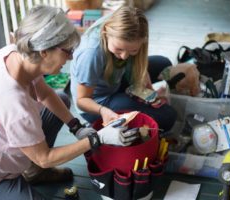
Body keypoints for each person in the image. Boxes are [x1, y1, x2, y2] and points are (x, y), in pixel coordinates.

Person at [0, 5, 138, 200]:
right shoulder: (16, 107)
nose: (71, 57)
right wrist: (96, 139)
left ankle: (33, 172)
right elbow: (45, 158)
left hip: (8, 144)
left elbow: (46, 94)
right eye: (67, 51)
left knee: (61, 99)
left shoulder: (13, 54)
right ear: (44, 51)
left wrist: (76, 127)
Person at [70, 5, 180, 133]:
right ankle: (120, 104)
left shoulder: (131, 28)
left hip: (116, 78)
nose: (125, 56)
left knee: (164, 63)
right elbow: (82, 101)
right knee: (169, 117)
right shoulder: (91, 53)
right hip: (97, 103)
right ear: (106, 32)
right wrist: (103, 110)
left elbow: (139, 66)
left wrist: (151, 94)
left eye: (133, 50)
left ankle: (128, 97)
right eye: (119, 49)